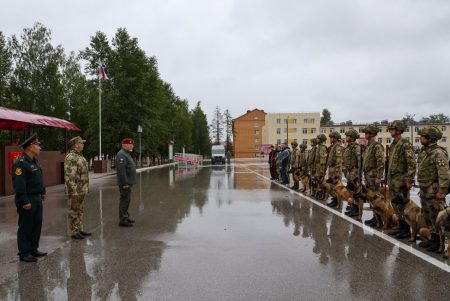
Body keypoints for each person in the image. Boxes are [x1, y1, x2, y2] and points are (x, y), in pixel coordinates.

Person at [11, 134, 47, 262]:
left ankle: (33, 249)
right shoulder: (20, 163)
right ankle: (24, 252)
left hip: (37, 198)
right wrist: (24, 201)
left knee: (36, 224)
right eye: (38, 145)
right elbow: (19, 185)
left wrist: (42, 191)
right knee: (26, 226)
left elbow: (39, 178)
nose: (39, 148)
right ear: (30, 147)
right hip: (27, 199)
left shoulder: (34, 161)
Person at [417, 126, 449, 252]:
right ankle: (433, 239)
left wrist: (442, 191)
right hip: (425, 189)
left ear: (430, 138)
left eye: (423, 136)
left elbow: (444, 173)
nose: (420, 138)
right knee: (427, 215)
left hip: (434, 190)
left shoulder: (438, 153)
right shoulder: (425, 151)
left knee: (437, 217)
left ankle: (440, 244)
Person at [386, 120, 416, 238]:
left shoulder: (405, 144)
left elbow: (412, 163)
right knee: (396, 204)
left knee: (403, 204)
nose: (390, 131)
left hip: (401, 180)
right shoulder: (393, 144)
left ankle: (406, 229)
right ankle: (400, 226)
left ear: (398, 130)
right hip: (393, 179)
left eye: (392, 129)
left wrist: (409, 179)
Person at [64, 136, 90, 240]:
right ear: (75, 145)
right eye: (81, 143)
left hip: (82, 189)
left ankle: (79, 229)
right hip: (75, 190)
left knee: (80, 210)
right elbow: (70, 175)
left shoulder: (80, 156)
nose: (83, 145)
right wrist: (73, 189)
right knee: (74, 210)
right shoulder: (71, 157)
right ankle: (74, 231)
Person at [361, 125, 385, 226]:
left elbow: (381, 162)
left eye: (367, 133)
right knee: (371, 198)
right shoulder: (368, 146)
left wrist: (379, 176)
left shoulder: (377, 146)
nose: (365, 134)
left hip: (373, 175)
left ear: (372, 134)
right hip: (368, 175)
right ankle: (375, 218)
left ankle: (379, 219)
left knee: (376, 198)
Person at [116, 138, 137, 227]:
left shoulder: (126, 154)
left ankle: (126, 216)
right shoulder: (121, 155)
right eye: (130, 144)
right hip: (125, 183)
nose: (132, 146)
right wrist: (124, 183)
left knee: (127, 200)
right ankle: (123, 220)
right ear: (125, 145)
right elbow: (121, 170)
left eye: (132, 144)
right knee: (124, 200)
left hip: (128, 182)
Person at [342, 129, 362, 217]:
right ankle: (353, 207)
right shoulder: (349, 147)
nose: (346, 137)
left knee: (356, 191)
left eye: (348, 136)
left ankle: (356, 209)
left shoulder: (356, 147)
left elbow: (359, 160)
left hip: (355, 171)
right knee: (352, 191)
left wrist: (358, 173)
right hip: (350, 172)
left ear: (353, 137)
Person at [326, 131, 344, 207]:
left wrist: (337, 171)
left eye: (332, 138)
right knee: (332, 186)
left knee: (336, 187)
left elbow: (339, 159)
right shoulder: (333, 146)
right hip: (332, 169)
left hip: (335, 169)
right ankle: (335, 199)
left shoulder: (338, 147)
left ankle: (337, 202)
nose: (330, 139)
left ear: (335, 138)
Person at [314, 134, 329, 199]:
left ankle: (322, 194)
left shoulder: (322, 147)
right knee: (318, 179)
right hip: (318, 165)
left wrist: (322, 169)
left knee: (321, 180)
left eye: (318, 138)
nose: (317, 139)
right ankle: (319, 192)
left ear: (321, 140)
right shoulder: (319, 147)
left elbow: (323, 158)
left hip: (321, 166)